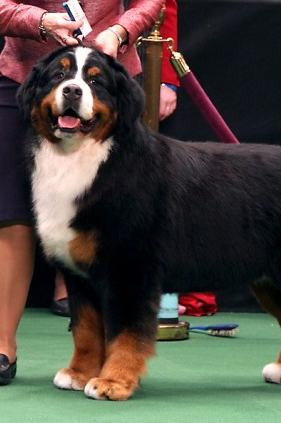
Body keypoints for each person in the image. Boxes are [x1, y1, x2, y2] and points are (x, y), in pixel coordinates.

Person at [0, 0, 163, 385]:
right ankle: (2, 348)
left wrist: (120, 32)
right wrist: (39, 21)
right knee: (13, 216)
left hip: (108, 84)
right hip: (27, 78)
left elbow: (150, 2)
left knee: (117, 232)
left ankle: (111, 358)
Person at [49, 0, 179, 318]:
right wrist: (40, 21)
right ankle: (70, 289)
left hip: (114, 70)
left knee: (121, 215)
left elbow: (158, 7)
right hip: (32, 62)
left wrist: (122, 34)